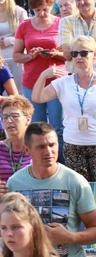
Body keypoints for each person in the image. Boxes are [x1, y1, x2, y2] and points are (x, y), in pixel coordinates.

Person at [0, 122, 96, 257]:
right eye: (41, 147)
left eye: (52, 145)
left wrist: (70, 237)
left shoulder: (76, 181)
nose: (48, 151)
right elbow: (4, 234)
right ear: (28, 150)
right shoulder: (15, 182)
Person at [32, 36, 96, 182]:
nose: (79, 57)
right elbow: (38, 97)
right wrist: (43, 76)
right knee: (79, 190)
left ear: (94, 55)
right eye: (74, 54)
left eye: (84, 53)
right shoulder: (63, 83)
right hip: (73, 144)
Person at [12, 0, 64, 148]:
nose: (41, 13)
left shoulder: (60, 23)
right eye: (37, 10)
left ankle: (60, 163)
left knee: (58, 127)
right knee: (37, 127)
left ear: (51, 7)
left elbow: (69, 55)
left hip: (56, 81)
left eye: (45, 9)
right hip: (32, 80)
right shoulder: (25, 25)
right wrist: (31, 56)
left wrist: (55, 54)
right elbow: (16, 55)